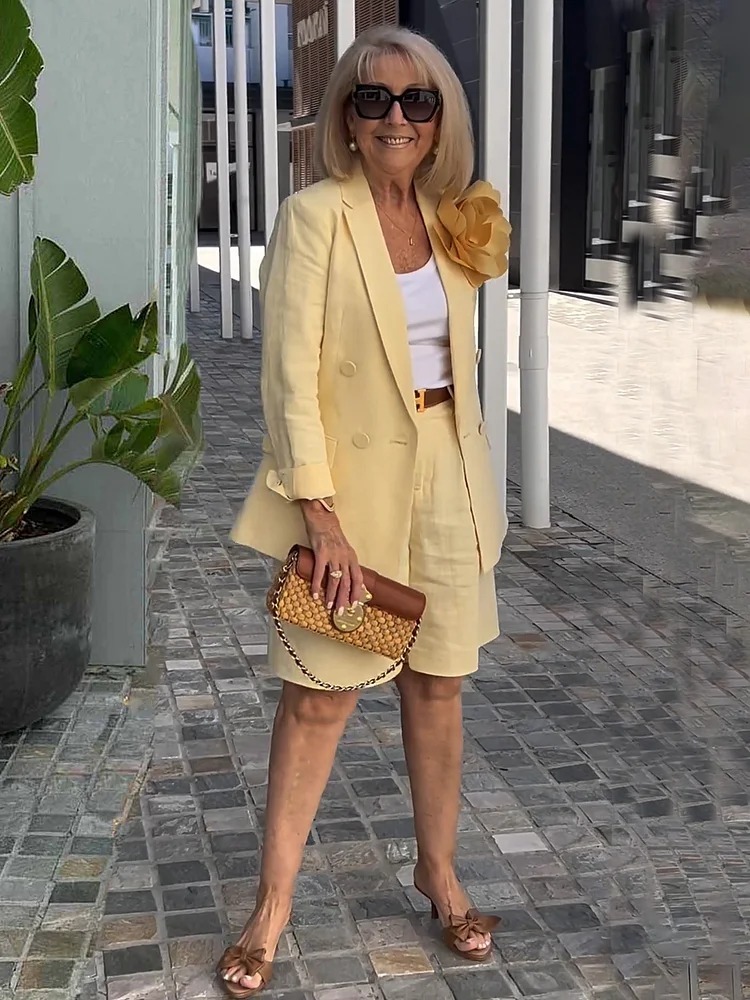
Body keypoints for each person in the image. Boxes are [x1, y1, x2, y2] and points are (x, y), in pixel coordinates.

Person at [218, 24, 511, 998]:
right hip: (352, 489)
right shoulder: (314, 217)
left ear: (440, 118)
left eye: (416, 100)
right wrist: (321, 516)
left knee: (439, 686)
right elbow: (288, 375)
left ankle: (439, 874)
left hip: (449, 476)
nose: (395, 117)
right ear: (345, 116)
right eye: (373, 98)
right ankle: (271, 906)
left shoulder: (452, 217)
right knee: (320, 697)